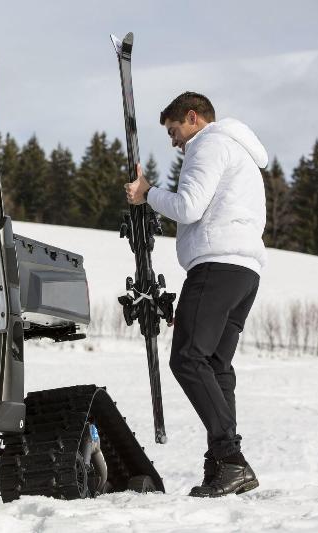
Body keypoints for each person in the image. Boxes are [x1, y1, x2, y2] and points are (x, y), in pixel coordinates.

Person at [124, 92, 267, 497]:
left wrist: (146, 193)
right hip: (244, 271)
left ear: (192, 117)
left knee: (188, 358)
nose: (173, 141)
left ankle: (231, 460)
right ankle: (222, 467)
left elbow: (187, 206)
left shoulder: (209, 144)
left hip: (217, 264)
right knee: (216, 365)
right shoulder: (241, 154)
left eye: (173, 131)